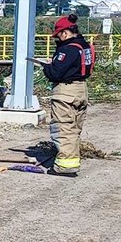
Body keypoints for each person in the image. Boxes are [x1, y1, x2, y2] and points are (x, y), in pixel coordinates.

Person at [32, 15, 93, 176]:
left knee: (64, 128)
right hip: (81, 90)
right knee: (75, 127)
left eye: (58, 36)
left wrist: (47, 66)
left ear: (65, 33)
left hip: (66, 92)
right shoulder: (85, 46)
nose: (57, 40)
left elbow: (55, 73)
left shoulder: (68, 49)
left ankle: (65, 166)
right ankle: (71, 159)